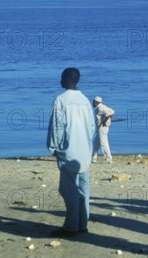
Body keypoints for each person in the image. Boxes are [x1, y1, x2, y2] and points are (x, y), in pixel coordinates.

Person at [47, 68, 96, 237]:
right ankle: (83, 223)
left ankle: (71, 226)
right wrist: (91, 148)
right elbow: (91, 127)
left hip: (68, 150)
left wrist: (53, 147)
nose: (60, 80)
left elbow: (57, 127)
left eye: (61, 77)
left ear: (66, 79)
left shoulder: (61, 100)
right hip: (84, 150)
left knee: (69, 190)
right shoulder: (85, 100)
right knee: (83, 190)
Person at [92, 96, 115, 164]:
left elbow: (110, 113)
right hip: (100, 128)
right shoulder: (100, 107)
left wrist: (105, 120)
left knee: (103, 143)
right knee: (96, 143)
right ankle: (94, 158)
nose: (92, 103)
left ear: (96, 102)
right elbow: (112, 111)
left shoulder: (101, 108)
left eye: (93, 102)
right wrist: (107, 119)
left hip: (102, 128)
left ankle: (109, 158)